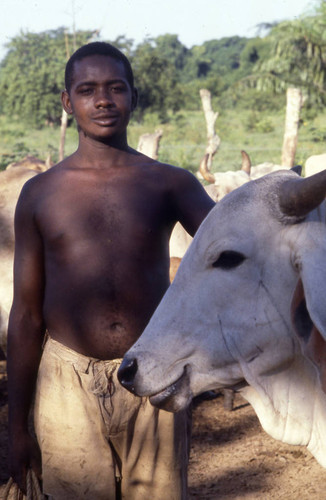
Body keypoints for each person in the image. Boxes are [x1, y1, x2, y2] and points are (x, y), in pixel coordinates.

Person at [7, 42, 215, 499]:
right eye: (87, 90)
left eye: (115, 88)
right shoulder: (41, 194)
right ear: (67, 102)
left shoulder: (169, 183)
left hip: (155, 375)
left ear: (133, 97)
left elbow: (231, 251)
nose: (103, 100)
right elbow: (25, 314)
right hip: (65, 384)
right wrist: (17, 424)